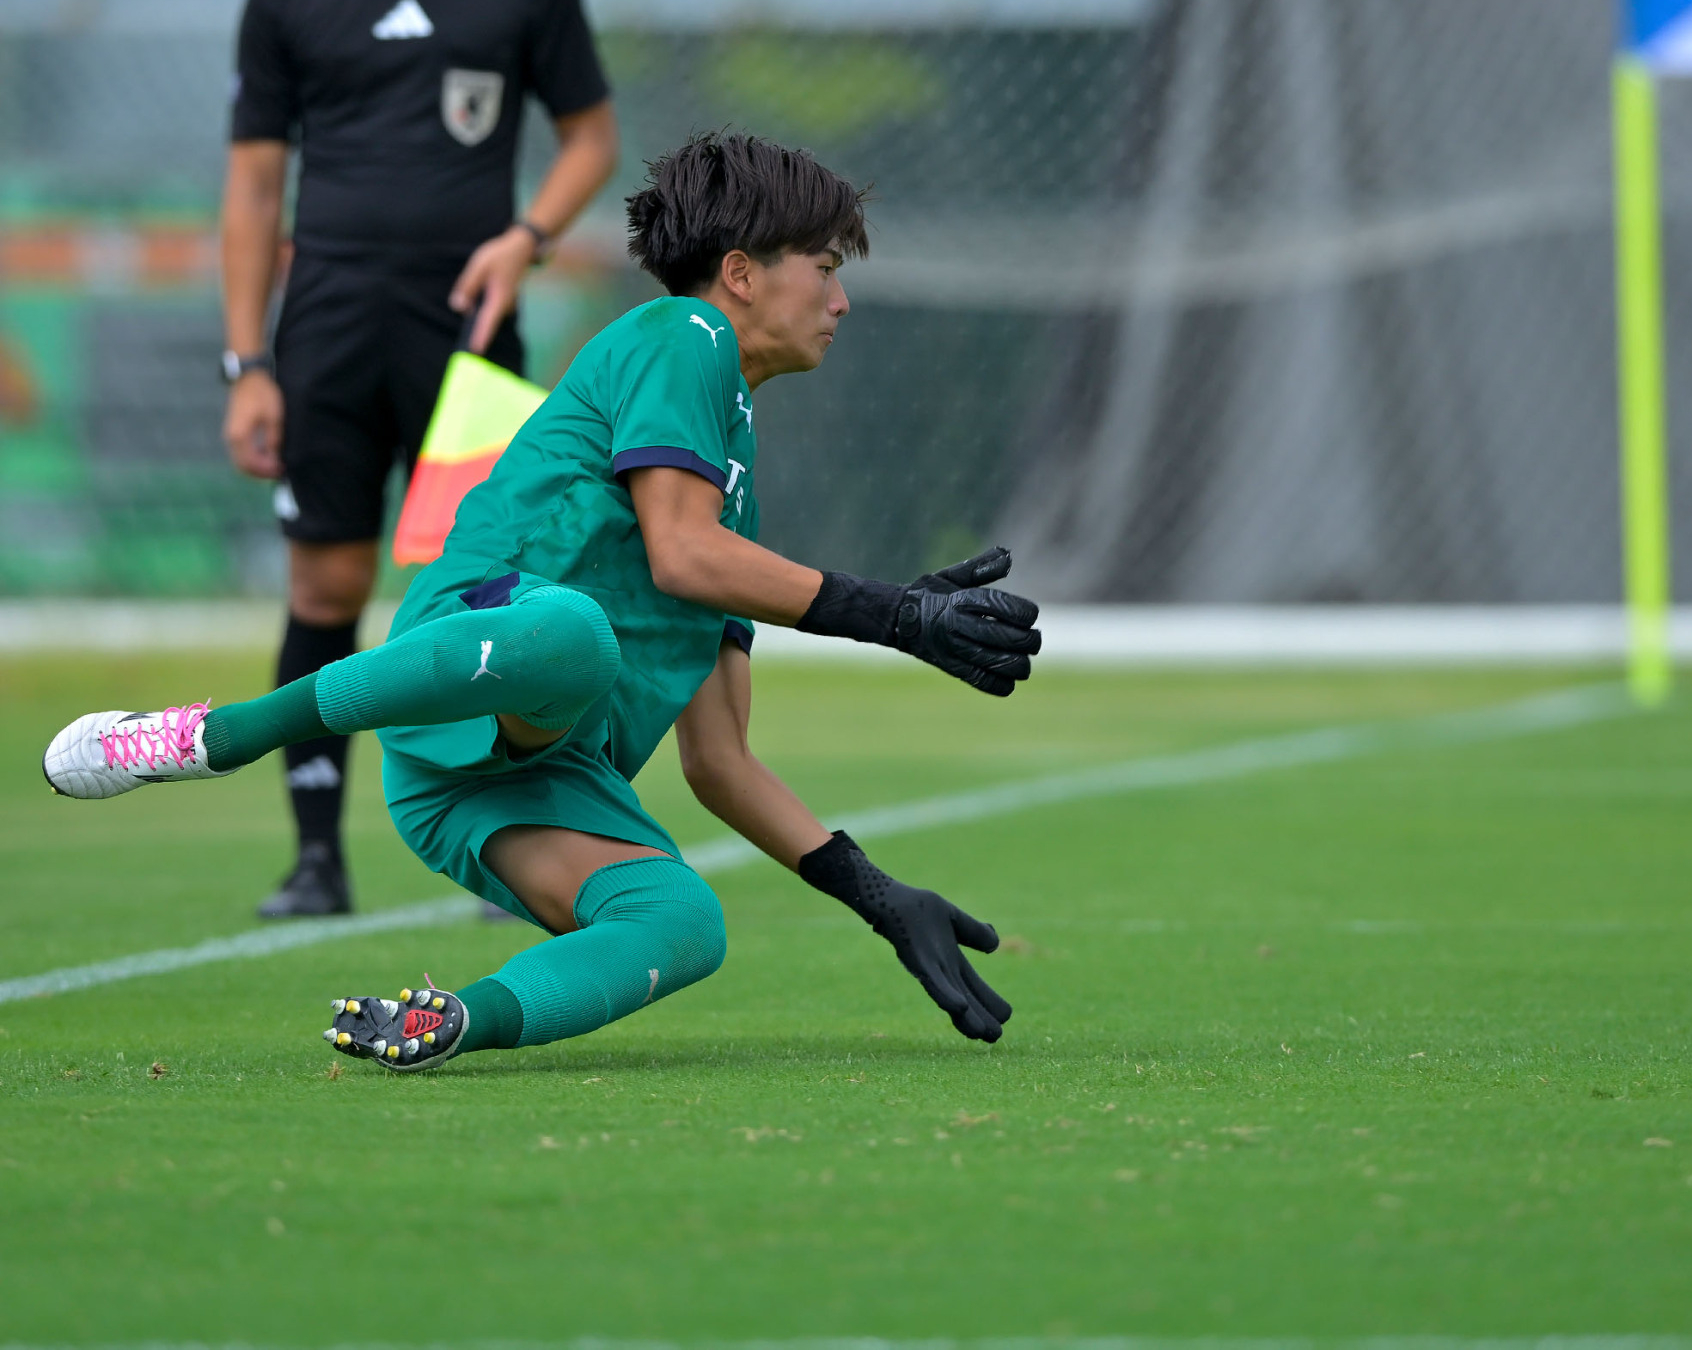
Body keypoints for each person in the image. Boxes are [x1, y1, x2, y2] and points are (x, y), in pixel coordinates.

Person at [46, 133, 1041, 1066]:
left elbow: (721, 762)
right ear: (742, 272)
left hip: (499, 790)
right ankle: (217, 737)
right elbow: (686, 559)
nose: (841, 300)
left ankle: (450, 1020)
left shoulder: (730, 473)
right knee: (574, 633)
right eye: (825, 268)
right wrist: (897, 617)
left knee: (685, 922)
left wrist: (877, 895)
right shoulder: (681, 334)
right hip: (471, 671)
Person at [220, 0, 620, 917]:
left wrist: (528, 235)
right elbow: (249, 186)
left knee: (485, 590)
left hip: (468, 331)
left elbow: (590, 136)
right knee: (326, 588)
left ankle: (508, 852)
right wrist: (248, 360)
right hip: (327, 330)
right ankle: (315, 856)